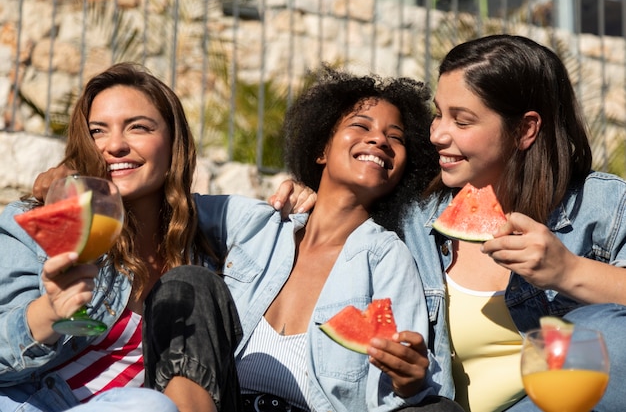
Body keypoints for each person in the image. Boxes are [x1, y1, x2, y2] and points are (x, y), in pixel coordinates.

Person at [275, 35, 626, 412]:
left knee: (609, 332)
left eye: (461, 120)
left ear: (526, 130)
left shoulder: (603, 205)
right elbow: (350, 192)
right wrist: (311, 195)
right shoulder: (414, 212)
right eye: (438, 113)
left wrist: (568, 270)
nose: (438, 134)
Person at [191, 65, 463, 412]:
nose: (380, 139)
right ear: (321, 149)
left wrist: (407, 382)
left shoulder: (387, 259)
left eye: (395, 137)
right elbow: (168, 210)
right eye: (361, 126)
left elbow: (398, 389)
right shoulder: (258, 225)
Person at [0, 62, 248, 412]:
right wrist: (50, 311)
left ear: (174, 142)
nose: (114, 145)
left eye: (138, 127)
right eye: (98, 131)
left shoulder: (207, 252)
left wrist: (304, 195)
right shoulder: (40, 222)